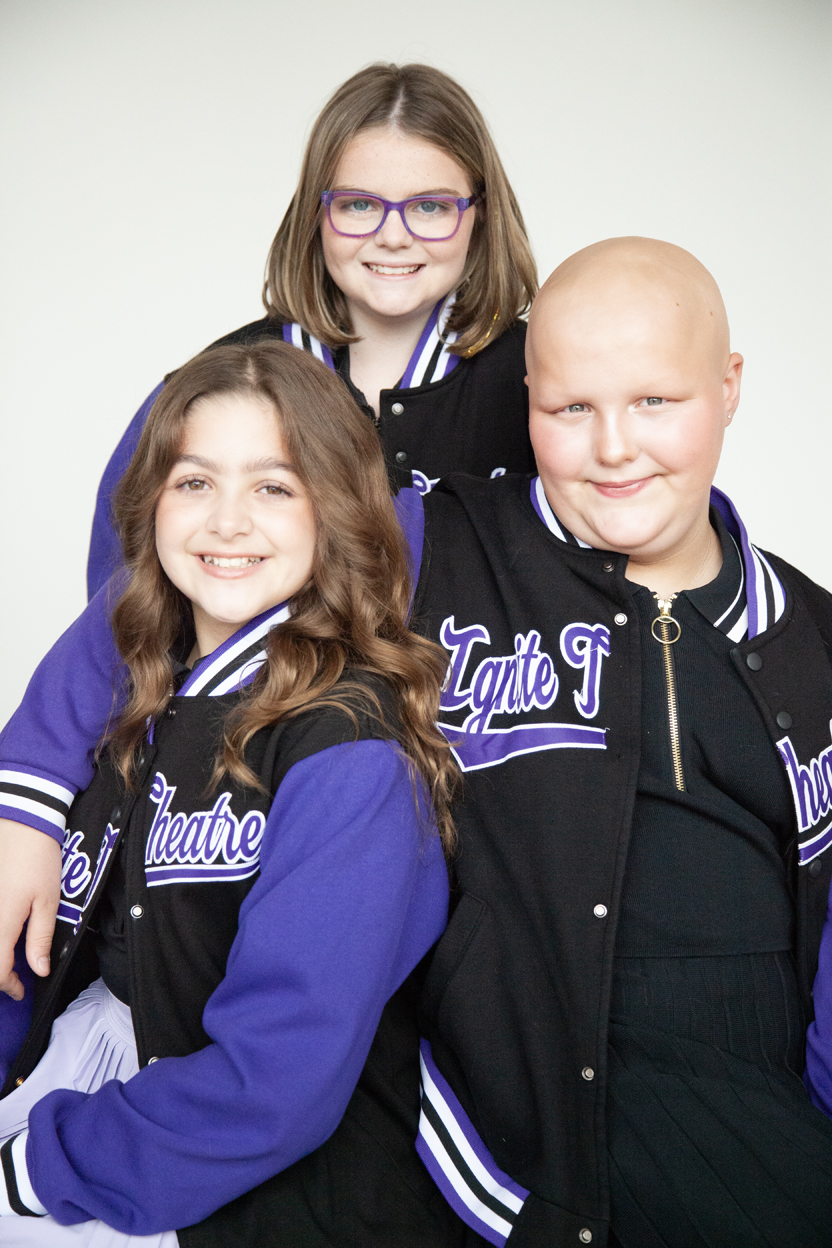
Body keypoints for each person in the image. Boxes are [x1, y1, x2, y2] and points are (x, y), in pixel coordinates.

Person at [6, 236, 832, 1246]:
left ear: (729, 386)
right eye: (570, 408)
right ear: (526, 399)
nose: (615, 447)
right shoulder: (434, 539)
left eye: (656, 401)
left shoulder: (815, 638)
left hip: (753, 1153)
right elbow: (163, 592)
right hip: (483, 1157)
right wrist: (28, 796)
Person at [0, 339, 464, 1245]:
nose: (227, 521)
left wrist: (32, 1170)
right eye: (195, 482)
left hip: (276, 1205)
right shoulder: (136, 695)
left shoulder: (352, 752)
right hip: (95, 1127)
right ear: (150, 501)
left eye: (274, 488)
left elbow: (275, 1081)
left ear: (336, 509)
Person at [87, 60, 538, 599]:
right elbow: (122, 603)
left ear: (480, 213)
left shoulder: (543, 379)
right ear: (316, 212)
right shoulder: (208, 387)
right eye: (359, 204)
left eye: (430, 206)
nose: (393, 236)